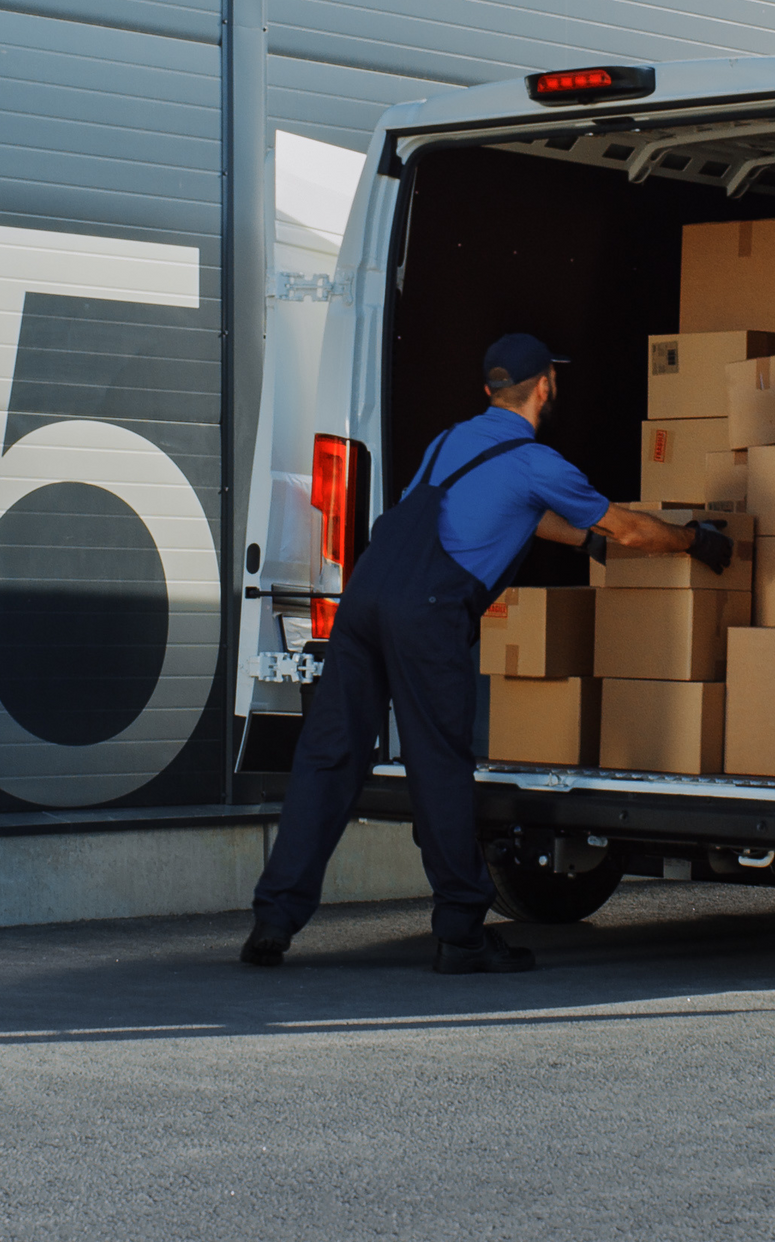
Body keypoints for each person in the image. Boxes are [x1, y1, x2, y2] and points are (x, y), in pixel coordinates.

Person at [242, 332, 729, 973]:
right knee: (439, 769)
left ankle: (273, 921)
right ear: (547, 385)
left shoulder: (451, 441)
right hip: (428, 615)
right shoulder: (537, 462)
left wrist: (582, 543)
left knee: (328, 758)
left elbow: (503, 509)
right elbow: (632, 528)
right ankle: (462, 934)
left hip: (365, 602)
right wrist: (696, 540)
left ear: (489, 390)